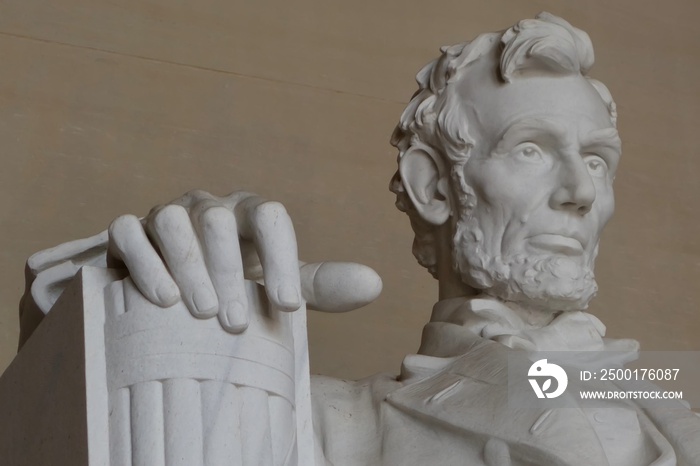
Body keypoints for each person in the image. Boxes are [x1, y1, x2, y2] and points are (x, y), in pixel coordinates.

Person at [18, 12, 700, 466]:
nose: (581, 193)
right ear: (436, 186)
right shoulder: (335, 425)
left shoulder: (671, 393)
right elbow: (44, 426)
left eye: (597, 160)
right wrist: (148, 287)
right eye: (531, 151)